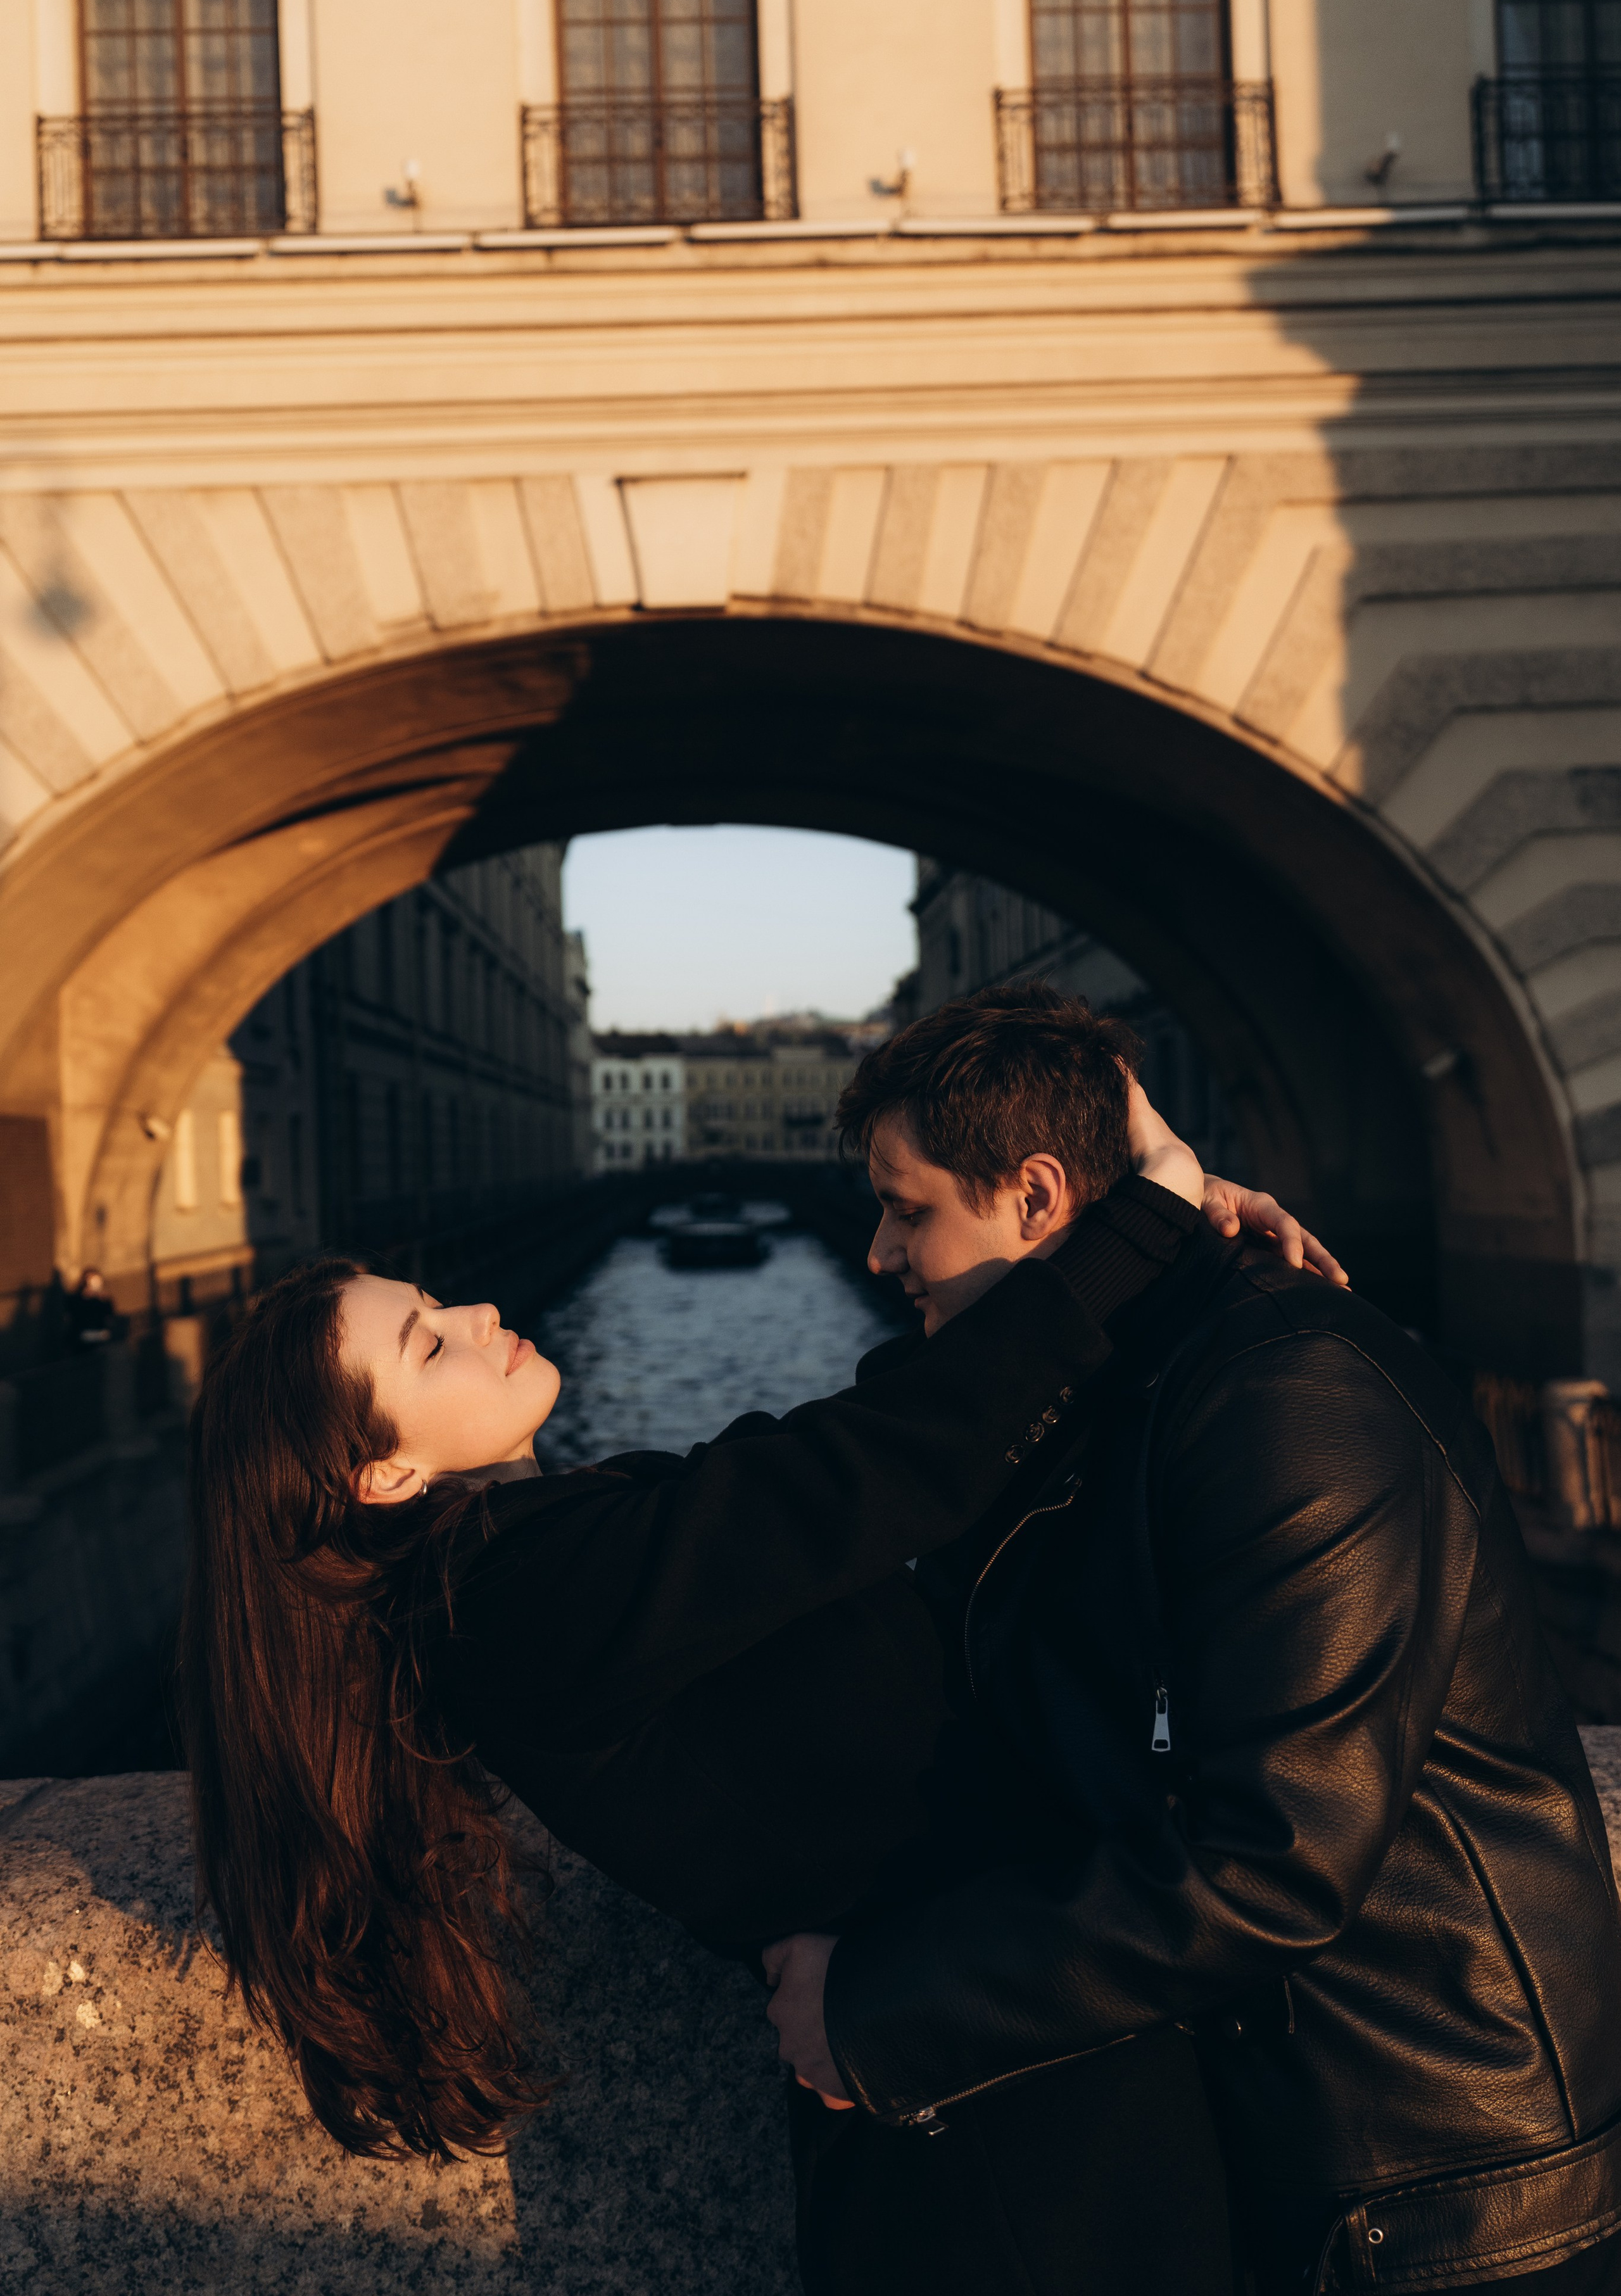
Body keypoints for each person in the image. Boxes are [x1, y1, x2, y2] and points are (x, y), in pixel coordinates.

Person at [175, 1019, 1327, 2287]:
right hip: (1002, 2145)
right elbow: (866, 1468)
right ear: (386, 1474)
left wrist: (1127, 1254)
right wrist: (1141, 1221)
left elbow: (857, 1467)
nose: (476, 1312)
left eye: (435, 1303)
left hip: (999, 2076)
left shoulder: (536, 1553)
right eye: (428, 1342)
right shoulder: (515, 1598)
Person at [766, 984, 1621, 2296]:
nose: (877, 1253)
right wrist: (1161, 1202)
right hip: (1298, 2142)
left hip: (1436, 2189)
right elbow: (858, 1491)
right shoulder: (1114, 1372)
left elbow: (1276, 1858)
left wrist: (883, 2010)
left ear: (1037, 1197)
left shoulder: (1290, 1391)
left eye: (906, 1209)